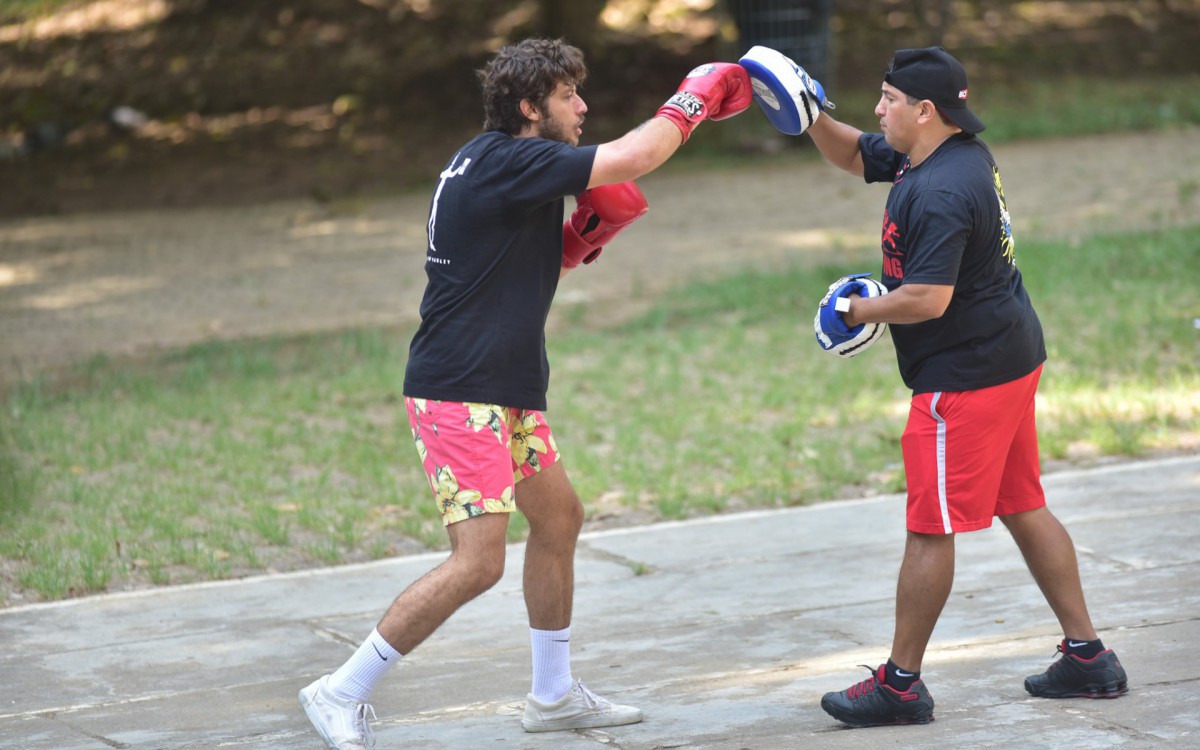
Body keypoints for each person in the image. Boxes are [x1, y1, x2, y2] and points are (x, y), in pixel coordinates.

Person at [298, 37, 752, 748]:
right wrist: (692, 94)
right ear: (529, 107)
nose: (584, 107)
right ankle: (338, 690)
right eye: (570, 95)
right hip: (459, 390)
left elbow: (503, 271)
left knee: (560, 519)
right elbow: (635, 155)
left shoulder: (496, 166)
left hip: (501, 387)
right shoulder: (513, 159)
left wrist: (578, 241)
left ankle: (553, 695)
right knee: (478, 561)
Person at [798, 46, 1130, 726]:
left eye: (888, 99)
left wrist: (856, 310)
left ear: (924, 110)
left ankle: (900, 685)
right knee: (1023, 502)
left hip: (966, 378)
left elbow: (926, 299)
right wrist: (808, 115)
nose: (877, 109)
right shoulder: (945, 152)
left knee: (929, 528)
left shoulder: (944, 189)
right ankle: (1089, 658)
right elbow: (857, 155)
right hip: (1008, 355)